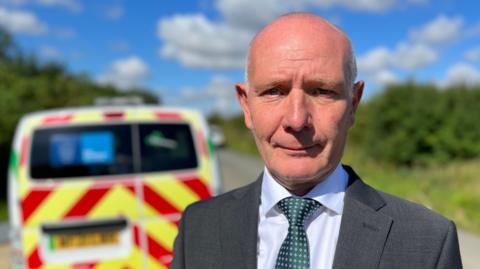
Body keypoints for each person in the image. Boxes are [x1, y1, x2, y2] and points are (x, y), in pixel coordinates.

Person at [170, 12, 462, 269]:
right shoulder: (199, 227)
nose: (297, 120)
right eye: (274, 91)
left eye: (322, 91)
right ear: (246, 107)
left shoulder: (427, 242)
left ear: (353, 104)